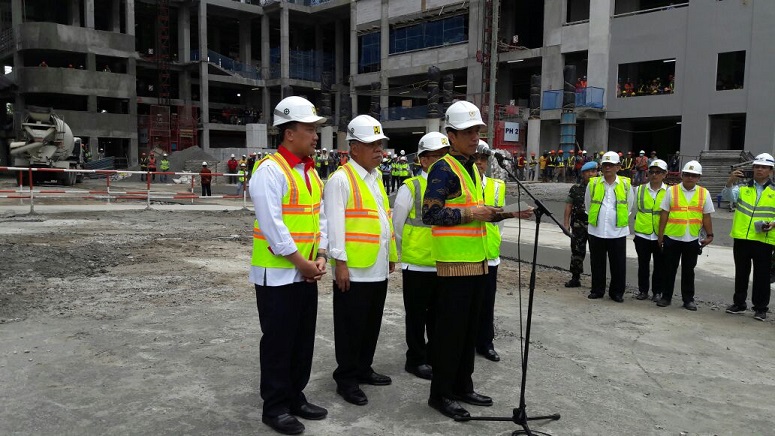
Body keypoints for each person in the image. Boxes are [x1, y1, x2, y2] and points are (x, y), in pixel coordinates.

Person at [249, 95, 328, 435]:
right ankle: (276, 407)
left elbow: (318, 219)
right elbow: (273, 226)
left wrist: (321, 255)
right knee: (279, 342)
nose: (315, 135)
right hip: (278, 274)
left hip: (305, 272)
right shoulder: (269, 171)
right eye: (309, 129)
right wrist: (302, 262)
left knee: (301, 340)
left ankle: (296, 395)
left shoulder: (310, 173)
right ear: (288, 133)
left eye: (315, 129)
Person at [421, 100, 504, 420]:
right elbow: (431, 213)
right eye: (468, 132)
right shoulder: (443, 168)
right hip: (454, 265)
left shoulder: (472, 168)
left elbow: (474, 214)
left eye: (478, 132)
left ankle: (462, 385)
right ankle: (440, 394)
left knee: (469, 330)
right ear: (451, 136)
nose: (475, 138)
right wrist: (472, 212)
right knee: (450, 333)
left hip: (478, 261)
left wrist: (500, 214)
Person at [325, 114, 397, 407]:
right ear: (354, 148)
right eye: (373, 144)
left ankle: (364, 368)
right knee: (350, 328)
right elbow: (334, 226)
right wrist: (339, 264)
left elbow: (384, 220)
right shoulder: (340, 179)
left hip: (376, 267)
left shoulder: (376, 178)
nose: (379, 149)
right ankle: (346, 379)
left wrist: (391, 255)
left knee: (371, 324)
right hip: (353, 270)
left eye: (380, 144)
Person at [393, 132, 450, 381]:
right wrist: (406, 252)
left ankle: (434, 355)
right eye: (436, 156)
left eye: (444, 156)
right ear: (424, 161)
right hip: (417, 263)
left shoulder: (451, 184)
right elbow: (397, 224)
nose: (441, 161)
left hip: (444, 261)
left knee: (439, 317)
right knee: (416, 316)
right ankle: (415, 359)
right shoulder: (412, 187)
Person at [472, 140, 534, 363]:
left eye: (482, 159)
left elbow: (500, 222)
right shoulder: (461, 184)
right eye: (475, 159)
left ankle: (485, 343)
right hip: (466, 255)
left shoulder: (497, 186)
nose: (479, 163)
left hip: (489, 253)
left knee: (487, 303)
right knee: (467, 304)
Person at [721, 153, 775, 321]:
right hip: (742, 238)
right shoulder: (743, 187)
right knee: (741, 273)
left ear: (771, 171)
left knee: (762, 276)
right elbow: (727, 197)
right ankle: (739, 304)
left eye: (764, 167)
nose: (760, 169)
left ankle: (760, 308)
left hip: (763, 239)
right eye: (757, 166)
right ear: (753, 168)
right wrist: (730, 182)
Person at [656, 161, 715, 310]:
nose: (690, 178)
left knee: (689, 271)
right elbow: (664, 213)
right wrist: (660, 235)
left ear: (699, 177)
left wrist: (710, 234)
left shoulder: (704, 193)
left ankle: (688, 299)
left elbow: (706, 215)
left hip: (692, 238)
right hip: (672, 237)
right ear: (682, 175)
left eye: (693, 175)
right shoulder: (672, 191)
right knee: (669, 269)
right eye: (687, 174)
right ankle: (666, 297)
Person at [585, 151, 634, 302]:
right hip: (597, 230)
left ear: (618, 167)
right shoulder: (593, 183)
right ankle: (597, 290)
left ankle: (617, 293)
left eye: (611, 165)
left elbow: (630, 206)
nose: (608, 168)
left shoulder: (626, 184)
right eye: (605, 165)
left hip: (617, 231)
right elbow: (588, 204)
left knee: (618, 264)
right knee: (597, 262)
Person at [633, 159, 668, 301]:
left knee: (659, 266)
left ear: (664, 174)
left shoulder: (670, 192)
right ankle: (643, 291)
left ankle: (657, 292)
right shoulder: (640, 190)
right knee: (643, 265)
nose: (654, 175)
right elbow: (633, 207)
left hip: (661, 235)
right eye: (652, 172)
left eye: (658, 172)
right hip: (642, 234)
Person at [564, 161, 598, 288]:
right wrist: (566, 223)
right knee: (577, 252)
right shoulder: (575, 188)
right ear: (583, 174)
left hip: (595, 225)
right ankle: (575, 277)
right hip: (578, 225)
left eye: (593, 171)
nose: (591, 174)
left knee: (597, 254)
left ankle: (597, 280)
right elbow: (568, 205)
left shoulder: (600, 187)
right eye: (588, 172)